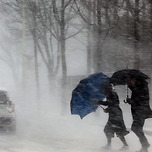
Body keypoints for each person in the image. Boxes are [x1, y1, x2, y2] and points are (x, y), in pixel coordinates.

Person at [93, 83, 129, 150]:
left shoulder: (112, 94)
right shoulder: (110, 94)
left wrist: (107, 110)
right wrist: (98, 101)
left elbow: (114, 104)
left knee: (114, 130)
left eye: (103, 89)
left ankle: (124, 145)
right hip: (115, 114)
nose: (103, 91)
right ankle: (121, 145)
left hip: (116, 115)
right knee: (111, 130)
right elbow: (108, 103)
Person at [125, 77, 152, 152]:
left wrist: (130, 100)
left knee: (136, 128)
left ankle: (145, 145)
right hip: (140, 111)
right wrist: (128, 83)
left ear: (136, 80)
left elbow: (139, 100)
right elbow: (135, 91)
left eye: (132, 80)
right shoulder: (141, 86)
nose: (132, 82)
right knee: (137, 128)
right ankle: (145, 146)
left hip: (140, 111)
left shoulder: (141, 88)